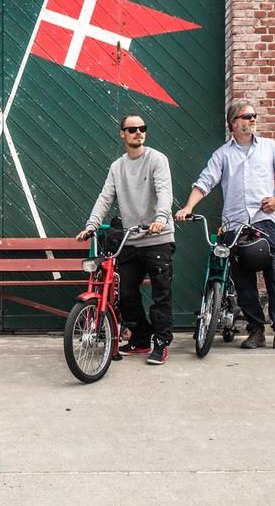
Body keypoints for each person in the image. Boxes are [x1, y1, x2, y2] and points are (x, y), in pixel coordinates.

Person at [175, 99, 275, 351]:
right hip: (234, 226)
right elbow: (205, 182)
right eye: (246, 116)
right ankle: (255, 331)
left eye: (254, 116)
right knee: (243, 281)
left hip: (265, 222)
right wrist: (188, 207)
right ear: (233, 123)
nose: (253, 119)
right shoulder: (222, 155)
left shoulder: (269, 147)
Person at [75, 114, 175, 364]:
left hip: (158, 237)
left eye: (142, 128)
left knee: (161, 294)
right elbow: (105, 197)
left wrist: (161, 218)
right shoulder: (117, 167)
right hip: (130, 240)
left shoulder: (156, 159)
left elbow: (164, 191)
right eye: (132, 129)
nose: (138, 133)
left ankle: (161, 343)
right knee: (127, 292)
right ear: (122, 133)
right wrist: (92, 225)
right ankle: (142, 338)